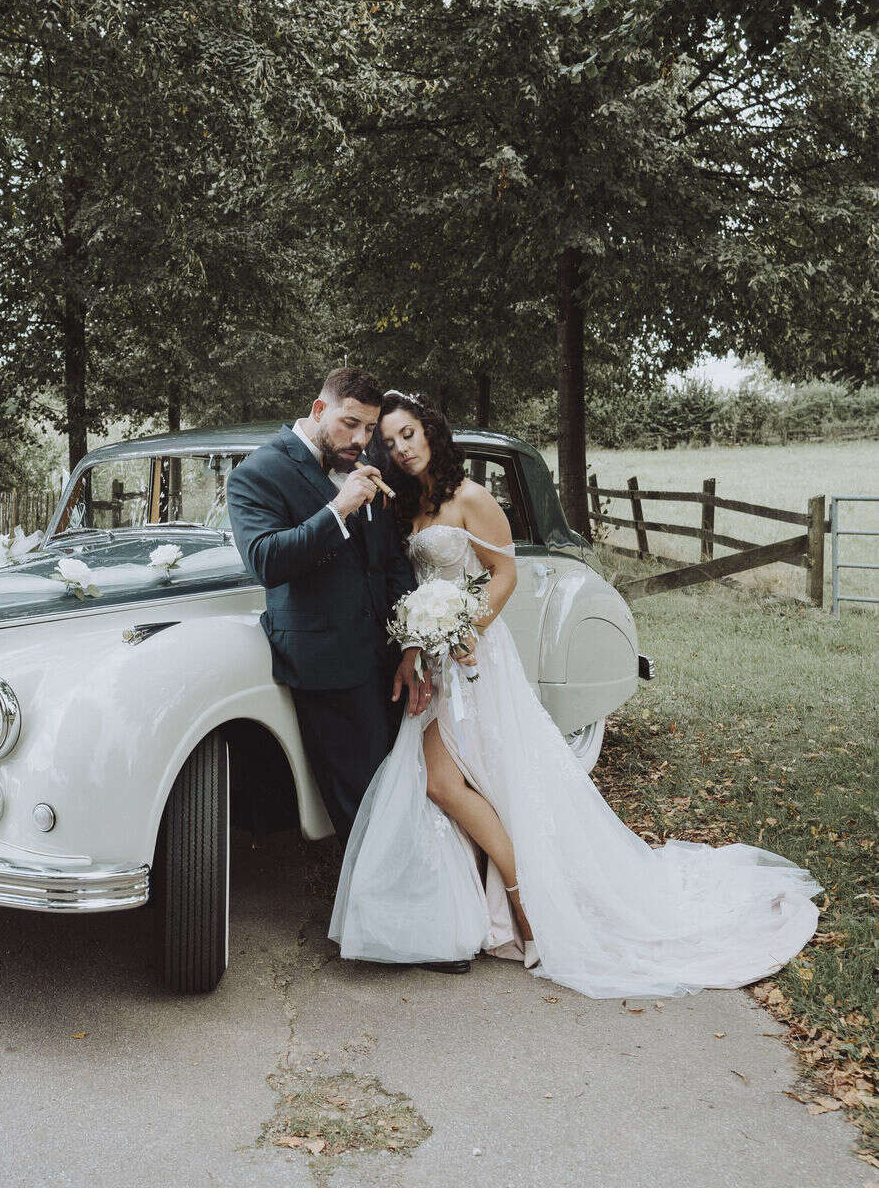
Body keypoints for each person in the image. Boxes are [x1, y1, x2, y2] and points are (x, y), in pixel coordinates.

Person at [329, 390, 822, 999]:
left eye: (409, 434)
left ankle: (525, 900)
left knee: (448, 780)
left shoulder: (470, 497)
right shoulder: (409, 506)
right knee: (470, 780)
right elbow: (416, 584)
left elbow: (504, 573)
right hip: (434, 658)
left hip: (475, 656)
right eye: (391, 441)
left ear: (430, 430)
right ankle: (494, 902)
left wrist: (466, 628)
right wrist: (417, 645)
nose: (402, 448)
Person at [227, 371, 473, 977]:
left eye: (369, 428)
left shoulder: (367, 468)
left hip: (385, 659)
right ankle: (400, 935)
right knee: (365, 801)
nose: (362, 439)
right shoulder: (257, 473)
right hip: (326, 664)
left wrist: (410, 646)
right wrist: (338, 508)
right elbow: (266, 561)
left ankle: (415, 921)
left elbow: (390, 563)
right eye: (351, 424)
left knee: (404, 787)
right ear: (319, 408)